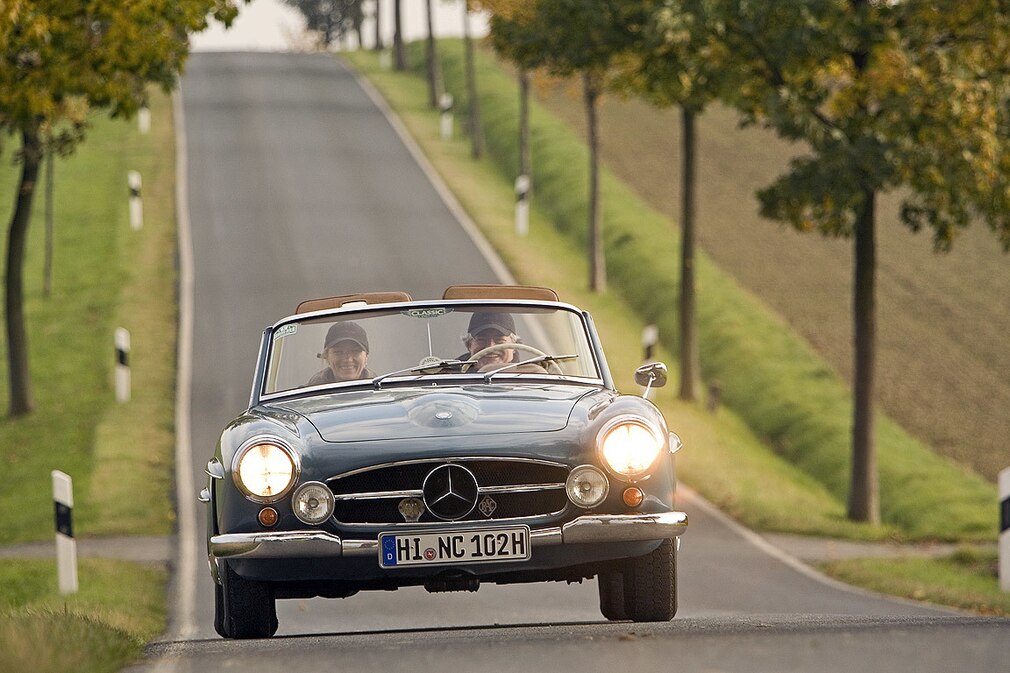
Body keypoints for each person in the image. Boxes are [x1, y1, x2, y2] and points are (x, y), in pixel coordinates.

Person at [307, 321, 374, 385]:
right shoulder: (309, 392)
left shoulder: (379, 391)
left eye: (355, 351)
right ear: (327, 357)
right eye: (338, 352)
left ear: (366, 357)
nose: (348, 359)